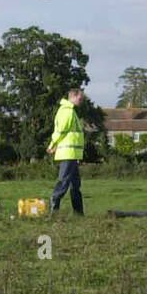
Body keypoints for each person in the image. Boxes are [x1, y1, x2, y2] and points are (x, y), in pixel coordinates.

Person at [46, 87, 86, 216]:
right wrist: (53, 144)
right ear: (73, 97)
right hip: (68, 153)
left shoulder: (70, 111)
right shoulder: (67, 111)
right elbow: (61, 131)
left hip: (72, 154)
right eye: (80, 98)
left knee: (75, 185)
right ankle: (54, 207)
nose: (81, 101)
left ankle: (78, 213)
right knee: (64, 182)